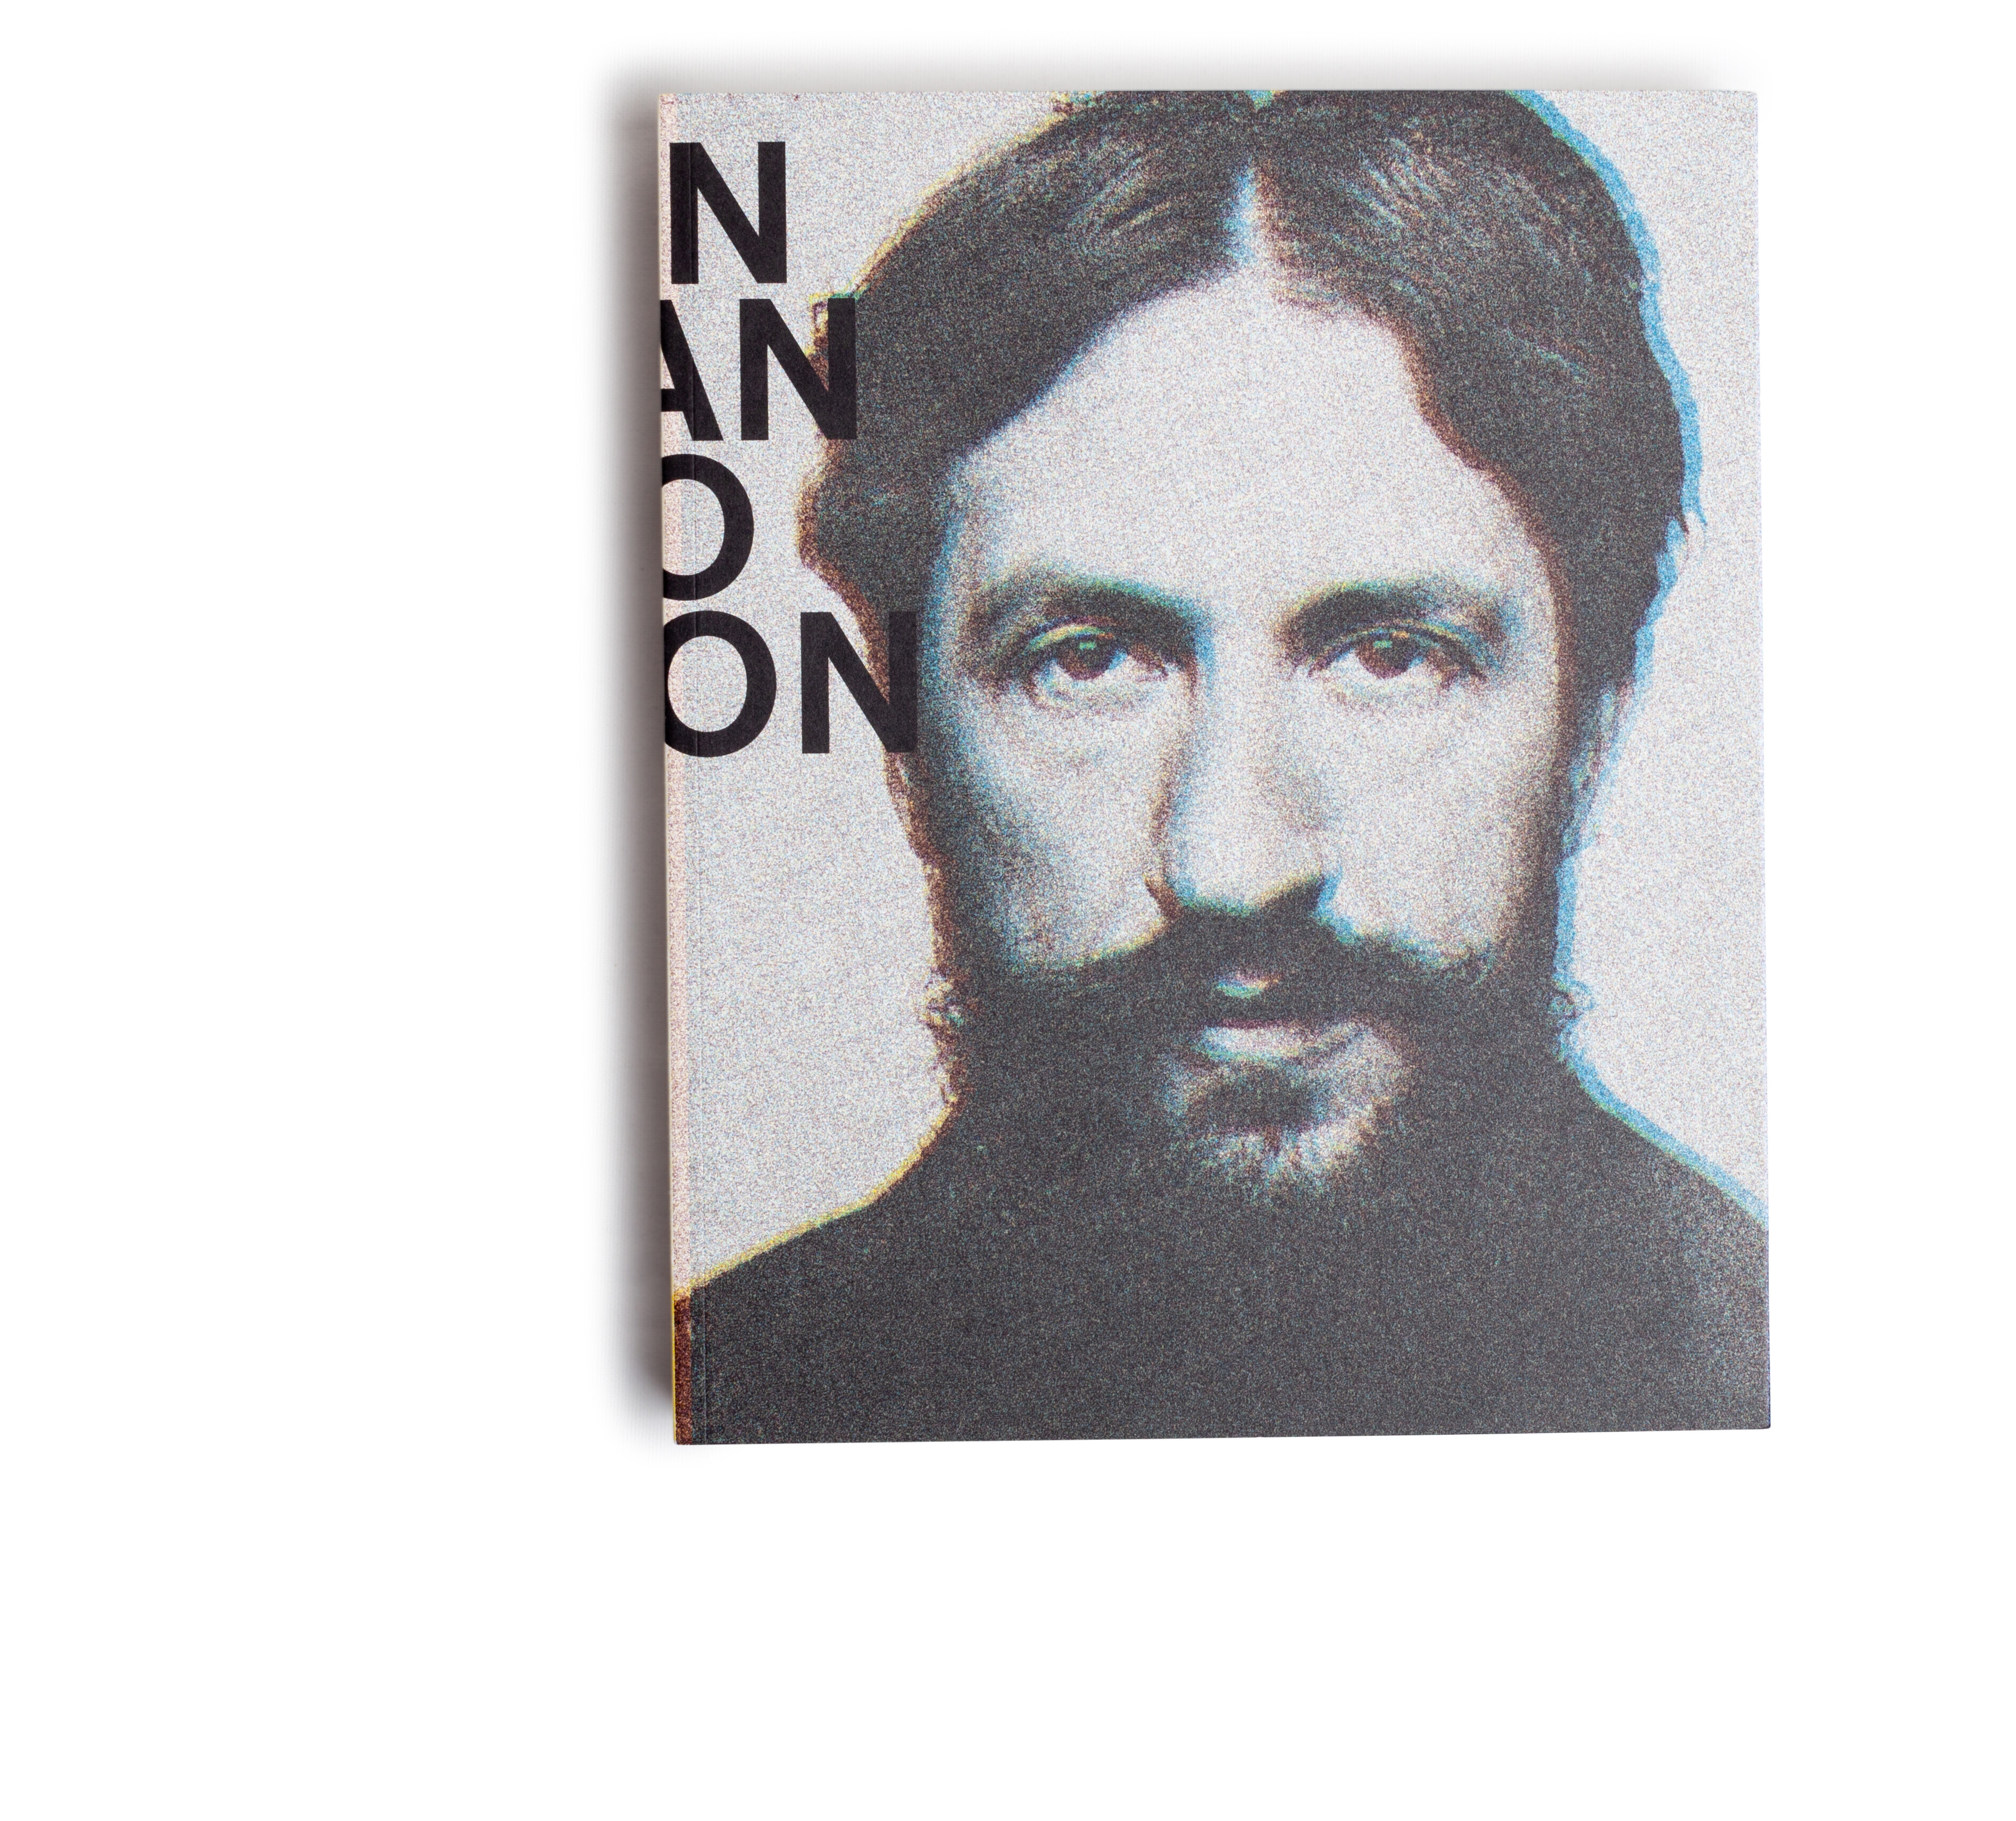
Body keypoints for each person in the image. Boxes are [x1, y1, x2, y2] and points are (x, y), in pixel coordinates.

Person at [674, 92, 1766, 1442]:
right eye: (1085, 661)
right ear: (905, 741)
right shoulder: (719, 1398)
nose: (1232, 865)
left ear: (1591, 726)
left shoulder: (1771, 1368)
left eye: (1391, 658)